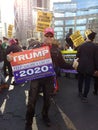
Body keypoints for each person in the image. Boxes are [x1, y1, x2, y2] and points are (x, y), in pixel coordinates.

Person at [25, 27, 73, 130]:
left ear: (53, 37)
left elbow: (62, 64)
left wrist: (74, 65)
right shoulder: (35, 46)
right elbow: (24, 58)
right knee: (31, 101)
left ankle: (45, 116)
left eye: (51, 36)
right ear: (43, 36)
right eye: (47, 35)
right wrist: (12, 58)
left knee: (47, 100)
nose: (49, 38)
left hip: (49, 79)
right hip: (36, 78)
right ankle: (28, 122)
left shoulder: (56, 50)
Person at [76, 30, 96, 103]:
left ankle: (80, 92)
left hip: (81, 66)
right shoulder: (95, 47)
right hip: (90, 67)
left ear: (87, 37)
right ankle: (84, 97)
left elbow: (77, 56)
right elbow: (96, 58)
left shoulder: (81, 46)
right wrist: (96, 69)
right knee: (87, 82)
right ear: (93, 38)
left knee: (80, 80)